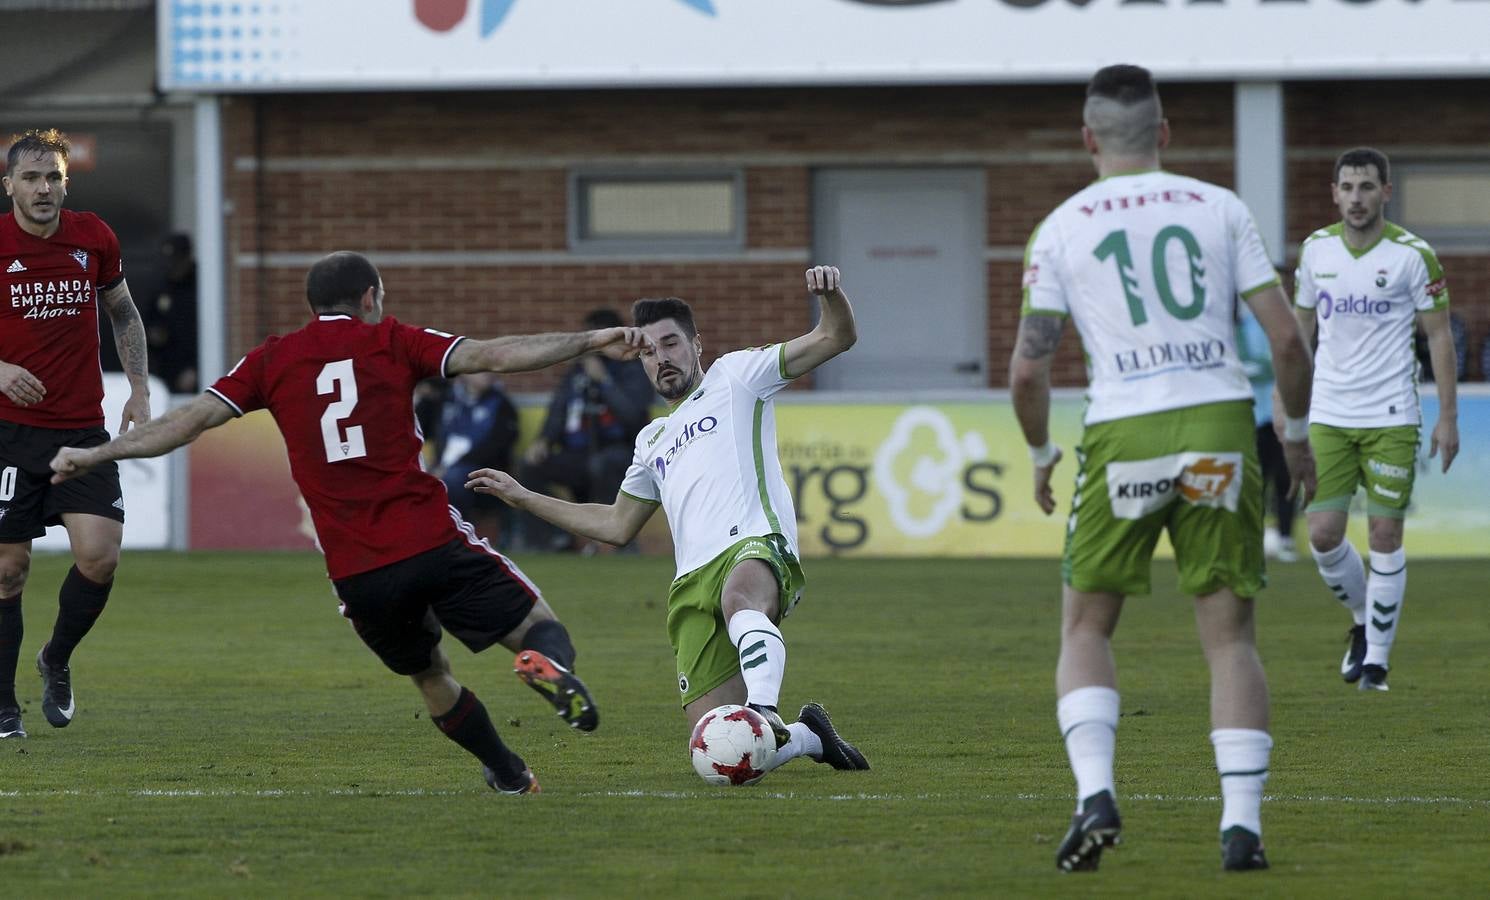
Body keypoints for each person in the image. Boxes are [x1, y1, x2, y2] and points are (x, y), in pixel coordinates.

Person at [51, 251, 651, 793]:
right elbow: (494, 354)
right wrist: (592, 340)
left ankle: (509, 773)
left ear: (312, 306)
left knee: (430, 676)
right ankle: (547, 664)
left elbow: (189, 421)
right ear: (370, 297)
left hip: (358, 572)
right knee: (535, 623)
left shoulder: (271, 359)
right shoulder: (392, 340)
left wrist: (99, 453)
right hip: (429, 538)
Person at [1009, 65, 1316, 873]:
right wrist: (1293, 433)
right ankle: (1241, 828)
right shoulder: (1220, 208)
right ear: (1165, 133)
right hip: (1218, 423)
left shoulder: (1061, 227)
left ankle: (1096, 794)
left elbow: (1028, 372)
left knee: (1086, 626)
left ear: (1087, 140)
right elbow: (1287, 340)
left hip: (1123, 433)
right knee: (1228, 637)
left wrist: (1042, 456)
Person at [467, 266, 871, 777]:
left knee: (741, 600)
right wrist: (525, 498)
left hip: (754, 543)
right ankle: (810, 737)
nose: (662, 358)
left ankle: (766, 709)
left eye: (671, 343)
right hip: (690, 585)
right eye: (649, 352)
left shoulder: (738, 377)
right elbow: (616, 525)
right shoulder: (651, 440)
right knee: (718, 751)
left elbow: (837, 336)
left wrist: (831, 295)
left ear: (697, 344)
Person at [0, 129, 152, 740]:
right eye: (32, 178)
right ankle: (3, 705)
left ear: (67, 182)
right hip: (8, 433)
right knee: (8, 570)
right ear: (8, 184)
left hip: (82, 430)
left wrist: (138, 387)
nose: (44, 189)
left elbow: (122, 311)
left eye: (54, 178)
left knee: (100, 555)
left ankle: (55, 658)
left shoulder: (93, 236)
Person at [1293, 147, 1459, 693]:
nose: (1357, 197)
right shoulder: (1316, 252)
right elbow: (1297, 336)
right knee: (1322, 535)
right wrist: (1284, 404)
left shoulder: (1415, 255)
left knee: (1385, 533)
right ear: (1335, 193)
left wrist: (1447, 417)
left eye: (1368, 187)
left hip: (1392, 412)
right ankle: (1365, 624)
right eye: (1348, 187)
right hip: (1329, 413)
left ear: (1386, 192)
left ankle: (1378, 665)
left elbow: (1438, 336)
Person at [514, 308, 656, 552]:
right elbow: (559, 409)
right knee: (530, 467)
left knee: (602, 465)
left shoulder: (634, 370)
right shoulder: (576, 373)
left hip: (618, 453)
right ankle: (554, 540)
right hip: (577, 454)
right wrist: (544, 440)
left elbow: (634, 417)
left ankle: (624, 542)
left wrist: (604, 383)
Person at [1236, 305, 1299, 562]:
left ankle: (1285, 539)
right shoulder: (1235, 324)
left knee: (1286, 480)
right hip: (1249, 415)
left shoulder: (1277, 320)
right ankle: (1251, 540)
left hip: (1278, 413)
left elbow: (1287, 358)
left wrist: (1258, 367)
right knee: (1253, 483)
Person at [434, 371, 520, 545]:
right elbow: (436, 433)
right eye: (480, 370)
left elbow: (496, 446)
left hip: (481, 470)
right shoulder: (450, 401)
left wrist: (453, 465)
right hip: (443, 466)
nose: (487, 374)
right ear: (465, 375)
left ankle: (456, 537)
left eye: (490, 370)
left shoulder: (502, 404)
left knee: (453, 479)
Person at [141, 232, 200, 394]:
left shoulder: (200, 284)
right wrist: (154, 335)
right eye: (169, 261)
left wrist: (196, 367)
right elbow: (147, 323)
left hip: (194, 368)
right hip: (165, 367)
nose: (172, 266)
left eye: (177, 261)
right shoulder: (161, 285)